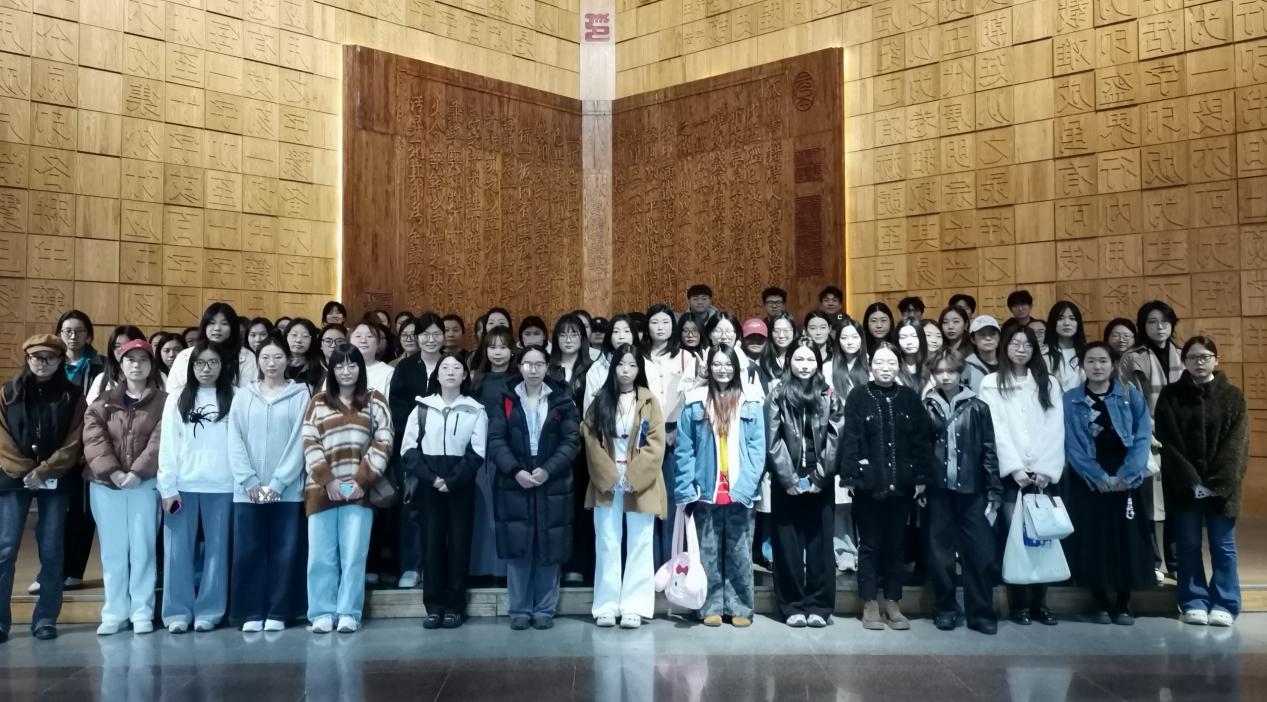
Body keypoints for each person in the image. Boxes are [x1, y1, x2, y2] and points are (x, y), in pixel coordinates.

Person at [1155, 337, 1249, 627]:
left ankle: (1225, 602)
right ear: (1184, 361)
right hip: (1185, 487)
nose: (1199, 362)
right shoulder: (1170, 396)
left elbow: (1237, 445)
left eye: (1205, 356)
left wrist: (1216, 483)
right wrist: (1192, 483)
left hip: (1223, 488)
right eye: (1193, 357)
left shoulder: (1232, 396)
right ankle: (1193, 600)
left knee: (1223, 546)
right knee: (1188, 544)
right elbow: (1168, 443)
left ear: (1216, 359)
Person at [838, 342, 933, 631]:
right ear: (870, 365)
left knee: (895, 545)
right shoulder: (858, 396)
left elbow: (920, 440)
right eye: (879, 362)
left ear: (898, 366)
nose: (885, 368)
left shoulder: (908, 397)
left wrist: (919, 477)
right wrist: (851, 477)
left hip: (902, 485)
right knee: (869, 545)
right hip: (868, 485)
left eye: (891, 363)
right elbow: (851, 438)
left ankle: (893, 601)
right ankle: (869, 602)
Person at [486, 345, 581, 630]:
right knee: (519, 547)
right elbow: (495, 440)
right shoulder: (505, 398)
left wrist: (548, 469)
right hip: (514, 482)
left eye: (539, 364)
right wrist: (515, 470)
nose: (533, 370)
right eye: (527, 364)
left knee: (549, 546)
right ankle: (519, 609)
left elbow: (571, 441)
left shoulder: (562, 398)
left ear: (547, 367)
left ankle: (544, 609)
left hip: (552, 481)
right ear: (519, 366)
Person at [302, 342, 394, 634]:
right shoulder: (318, 402)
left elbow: (384, 440)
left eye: (352, 364)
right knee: (320, 556)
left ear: (360, 368)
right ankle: (321, 612)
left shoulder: (374, 400)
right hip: (321, 490)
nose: (345, 371)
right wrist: (327, 480)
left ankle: (348, 612)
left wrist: (362, 480)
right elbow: (309, 441)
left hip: (359, 490)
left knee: (354, 555)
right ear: (331, 369)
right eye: (339, 365)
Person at [0, 334, 87, 643]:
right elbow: (2, 437)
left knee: (51, 549)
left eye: (50, 357)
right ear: (27, 359)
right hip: (14, 477)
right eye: (36, 357)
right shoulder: (8, 392)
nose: (42, 362)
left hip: (56, 479)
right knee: (5, 548)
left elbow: (75, 439)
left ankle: (46, 618)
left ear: (60, 360)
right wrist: (27, 470)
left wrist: (46, 470)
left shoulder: (73, 395)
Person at [979, 324, 1065, 626]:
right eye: (1015, 343)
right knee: (1014, 540)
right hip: (1010, 475)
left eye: (1027, 344)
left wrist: (1045, 469)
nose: (1021, 349)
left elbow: (1055, 428)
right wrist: (1014, 467)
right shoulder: (991, 383)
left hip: (1042, 476)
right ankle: (1019, 605)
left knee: (1044, 539)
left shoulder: (1048, 383)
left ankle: (1041, 603)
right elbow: (994, 428)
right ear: (1005, 347)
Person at [1062, 342, 1154, 626]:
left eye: (1103, 360)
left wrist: (1127, 475)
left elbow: (1142, 435)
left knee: (1126, 539)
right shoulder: (1071, 399)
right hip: (1089, 478)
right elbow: (1071, 443)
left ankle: (1124, 602)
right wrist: (1098, 476)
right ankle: (1099, 600)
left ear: (1113, 364)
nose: (1097, 366)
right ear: (1082, 365)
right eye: (1091, 361)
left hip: (1126, 476)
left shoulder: (1129, 394)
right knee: (1094, 539)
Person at [674, 343, 765, 628]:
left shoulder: (750, 400)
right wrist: (686, 487)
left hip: (740, 492)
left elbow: (757, 449)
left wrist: (746, 487)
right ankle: (709, 606)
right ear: (709, 367)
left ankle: (740, 607)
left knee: (739, 553)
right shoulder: (695, 401)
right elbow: (685, 448)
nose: (723, 370)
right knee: (708, 553)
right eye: (717, 364)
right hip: (705, 491)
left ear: (736, 367)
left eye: (728, 364)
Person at [227, 333, 311, 633]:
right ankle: (250, 612)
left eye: (277, 357)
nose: (271, 363)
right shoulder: (243, 395)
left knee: (284, 552)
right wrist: (248, 480)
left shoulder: (301, 394)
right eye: (265, 357)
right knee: (248, 551)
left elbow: (300, 441)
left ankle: (279, 611)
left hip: (286, 491)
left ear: (288, 360)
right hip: (248, 491)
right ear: (258, 361)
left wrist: (279, 482)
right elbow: (234, 438)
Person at [82, 339, 165, 636]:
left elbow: (160, 441)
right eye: (130, 359)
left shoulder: (164, 402)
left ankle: (142, 611)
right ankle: (114, 612)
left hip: (145, 484)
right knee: (113, 550)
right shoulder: (102, 402)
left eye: (143, 359)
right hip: (106, 486)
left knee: (143, 549)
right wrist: (114, 472)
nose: (136, 365)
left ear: (151, 365)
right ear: (120, 365)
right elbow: (93, 440)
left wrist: (139, 472)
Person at [400, 353, 488, 629]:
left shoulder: (475, 410)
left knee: (460, 545)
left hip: (461, 485)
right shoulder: (422, 407)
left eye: (457, 368)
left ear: (465, 375)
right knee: (431, 545)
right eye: (445, 367)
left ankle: (454, 606)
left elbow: (477, 452)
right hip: (429, 486)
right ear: (436, 375)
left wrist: (452, 480)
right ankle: (433, 606)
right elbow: (408, 449)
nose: (450, 372)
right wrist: (433, 478)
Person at [582, 344, 666, 628]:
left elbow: (655, 444)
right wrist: (609, 476)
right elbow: (591, 441)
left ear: (639, 369)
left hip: (640, 482)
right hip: (606, 480)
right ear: (613, 368)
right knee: (607, 541)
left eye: (632, 365)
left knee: (640, 542)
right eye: (621, 364)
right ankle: (606, 606)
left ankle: (635, 606)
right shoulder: (600, 400)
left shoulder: (649, 401)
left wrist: (634, 477)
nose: (626, 370)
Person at [157, 340, 236, 633]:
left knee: (217, 552)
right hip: (183, 485)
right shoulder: (177, 398)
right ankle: (177, 612)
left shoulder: (235, 396)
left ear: (223, 366)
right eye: (200, 363)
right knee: (177, 552)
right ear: (191, 367)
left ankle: (210, 611)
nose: (206, 369)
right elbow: (167, 445)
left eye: (213, 363)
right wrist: (167, 487)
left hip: (223, 486)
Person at [923, 349, 1001, 635]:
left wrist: (994, 489)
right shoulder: (926, 407)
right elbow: (919, 449)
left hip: (973, 489)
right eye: (939, 371)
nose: (945, 376)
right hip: (937, 489)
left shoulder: (978, 407)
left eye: (951, 371)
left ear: (960, 373)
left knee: (980, 553)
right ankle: (945, 609)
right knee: (939, 554)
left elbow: (989, 450)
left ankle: (980, 612)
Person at [766, 339, 842, 628]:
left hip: (820, 480)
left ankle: (820, 606)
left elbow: (836, 436)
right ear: (789, 362)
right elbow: (772, 440)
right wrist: (788, 478)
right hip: (786, 481)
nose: (805, 365)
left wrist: (821, 476)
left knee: (821, 545)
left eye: (810, 360)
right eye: (799, 359)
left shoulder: (829, 394)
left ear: (818, 363)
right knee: (787, 546)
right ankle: (793, 606)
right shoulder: (777, 394)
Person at [1119, 300, 1184, 583]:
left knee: (1177, 502)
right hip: (1147, 438)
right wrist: (1148, 431)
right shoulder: (1132, 358)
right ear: (1142, 326)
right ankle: (1152, 562)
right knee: (1149, 504)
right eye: (1152, 322)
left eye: (1165, 322)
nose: (1159, 327)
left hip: (1182, 440)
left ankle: (1177, 563)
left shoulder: (1183, 354)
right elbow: (1128, 401)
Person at [390, 312, 446, 591]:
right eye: (425, 334)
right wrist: (417, 431)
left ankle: (436, 567)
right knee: (411, 506)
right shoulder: (405, 367)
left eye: (436, 334)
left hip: (445, 448)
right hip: (411, 447)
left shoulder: (451, 365)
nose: (431, 339)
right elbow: (397, 407)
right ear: (417, 337)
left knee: (441, 508)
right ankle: (411, 566)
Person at [641, 305, 698, 566]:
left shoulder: (686, 357)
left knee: (673, 500)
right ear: (647, 326)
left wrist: (674, 426)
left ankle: (672, 563)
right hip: (645, 435)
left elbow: (690, 396)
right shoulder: (638, 357)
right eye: (655, 322)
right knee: (646, 499)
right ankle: (650, 565)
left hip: (677, 435)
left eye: (665, 322)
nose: (660, 327)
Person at [548, 314, 594, 587]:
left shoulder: (592, 369)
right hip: (552, 447)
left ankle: (578, 564)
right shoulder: (547, 367)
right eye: (563, 334)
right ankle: (556, 563)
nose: (568, 339)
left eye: (574, 334)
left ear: (582, 338)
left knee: (580, 506)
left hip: (585, 447)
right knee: (555, 507)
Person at [469, 326, 516, 583]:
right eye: (492, 347)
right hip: (482, 455)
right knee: (483, 512)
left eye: (503, 347)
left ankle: (505, 570)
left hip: (511, 454)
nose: (498, 352)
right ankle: (480, 569)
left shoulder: (518, 380)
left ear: (512, 350)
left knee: (507, 511)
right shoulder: (477, 381)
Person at [825, 319, 869, 573]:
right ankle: (843, 550)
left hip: (867, 441)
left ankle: (866, 550)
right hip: (839, 440)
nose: (850, 342)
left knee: (865, 500)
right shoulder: (827, 368)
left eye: (854, 337)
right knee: (841, 501)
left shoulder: (871, 365)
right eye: (844, 337)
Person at [167, 303, 258, 393]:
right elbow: (173, 391)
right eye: (212, 323)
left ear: (233, 328)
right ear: (204, 326)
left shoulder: (246, 356)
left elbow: (250, 393)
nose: (217, 328)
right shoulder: (185, 355)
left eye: (224, 323)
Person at [584, 314, 641, 413]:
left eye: (626, 331)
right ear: (609, 337)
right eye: (616, 331)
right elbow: (589, 410)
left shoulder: (647, 366)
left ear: (633, 335)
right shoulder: (597, 369)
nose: (621, 336)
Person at [85, 326, 147, 405]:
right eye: (117, 346)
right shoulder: (102, 379)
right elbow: (92, 410)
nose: (121, 350)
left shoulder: (157, 378)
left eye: (128, 345)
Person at [1045, 302, 1086, 392]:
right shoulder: (1043, 353)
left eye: (1072, 318)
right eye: (1060, 318)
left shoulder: (1087, 352)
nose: (1067, 323)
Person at [963, 315, 1001, 392]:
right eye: (982, 334)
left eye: (992, 334)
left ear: (999, 337)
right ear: (973, 339)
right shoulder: (966, 368)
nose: (988, 338)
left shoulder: (1009, 364)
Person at [285, 318, 325, 392]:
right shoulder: (277, 364)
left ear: (312, 340)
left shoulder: (319, 370)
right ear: (286, 336)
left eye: (305, 336)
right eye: (294, 335)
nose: (298, 340)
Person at [894, 317, 928, 391]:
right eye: (903, 337)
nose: (909, 342)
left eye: (914, 336)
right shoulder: (894, 368)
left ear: (921, 338)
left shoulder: (931, 365)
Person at [760, 312, 797, 380]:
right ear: (771, 333)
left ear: (794, 332)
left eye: (786, 330)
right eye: (776, 331)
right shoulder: (763, 359)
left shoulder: (801, 357)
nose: (781, 335)